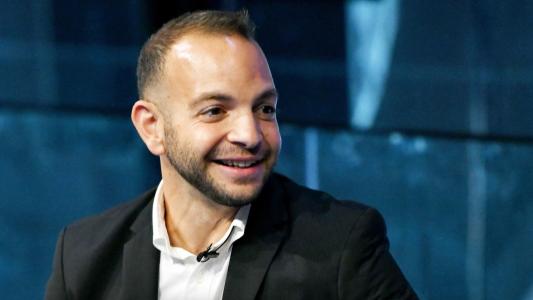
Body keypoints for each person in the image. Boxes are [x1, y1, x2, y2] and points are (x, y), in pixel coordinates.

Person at [45, 10, 418, 300]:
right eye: (215, 111)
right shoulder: (82, 256)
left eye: (265, 109)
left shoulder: (342, 244)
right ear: (151, 126)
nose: (250, 135)